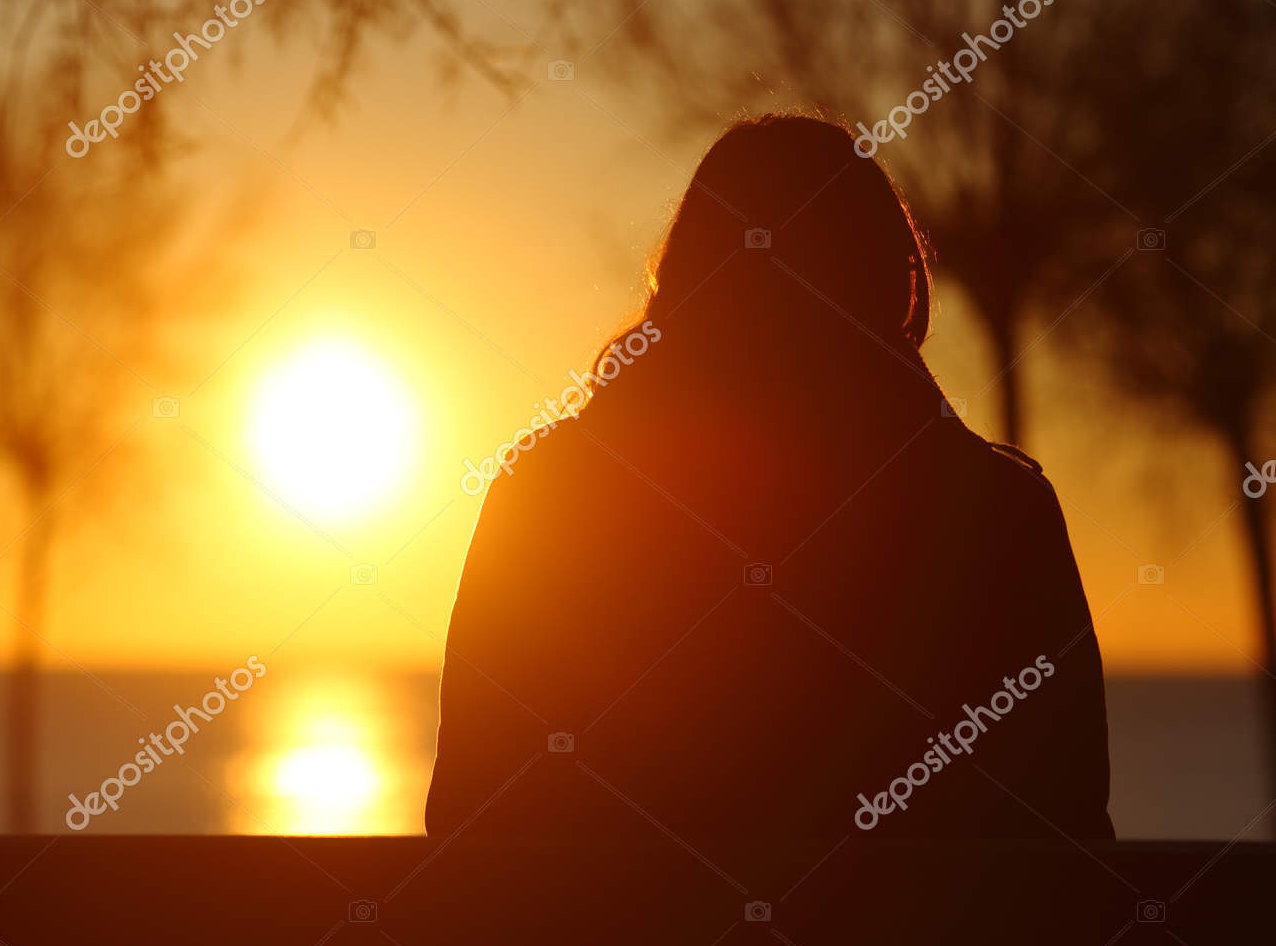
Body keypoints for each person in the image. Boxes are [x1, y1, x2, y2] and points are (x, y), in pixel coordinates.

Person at [424, 113, 1113, 842]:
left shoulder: (550, 497)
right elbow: (1070, 825)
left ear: (688, 279)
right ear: (891, 287)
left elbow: (468, 811)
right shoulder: (1001, 516)